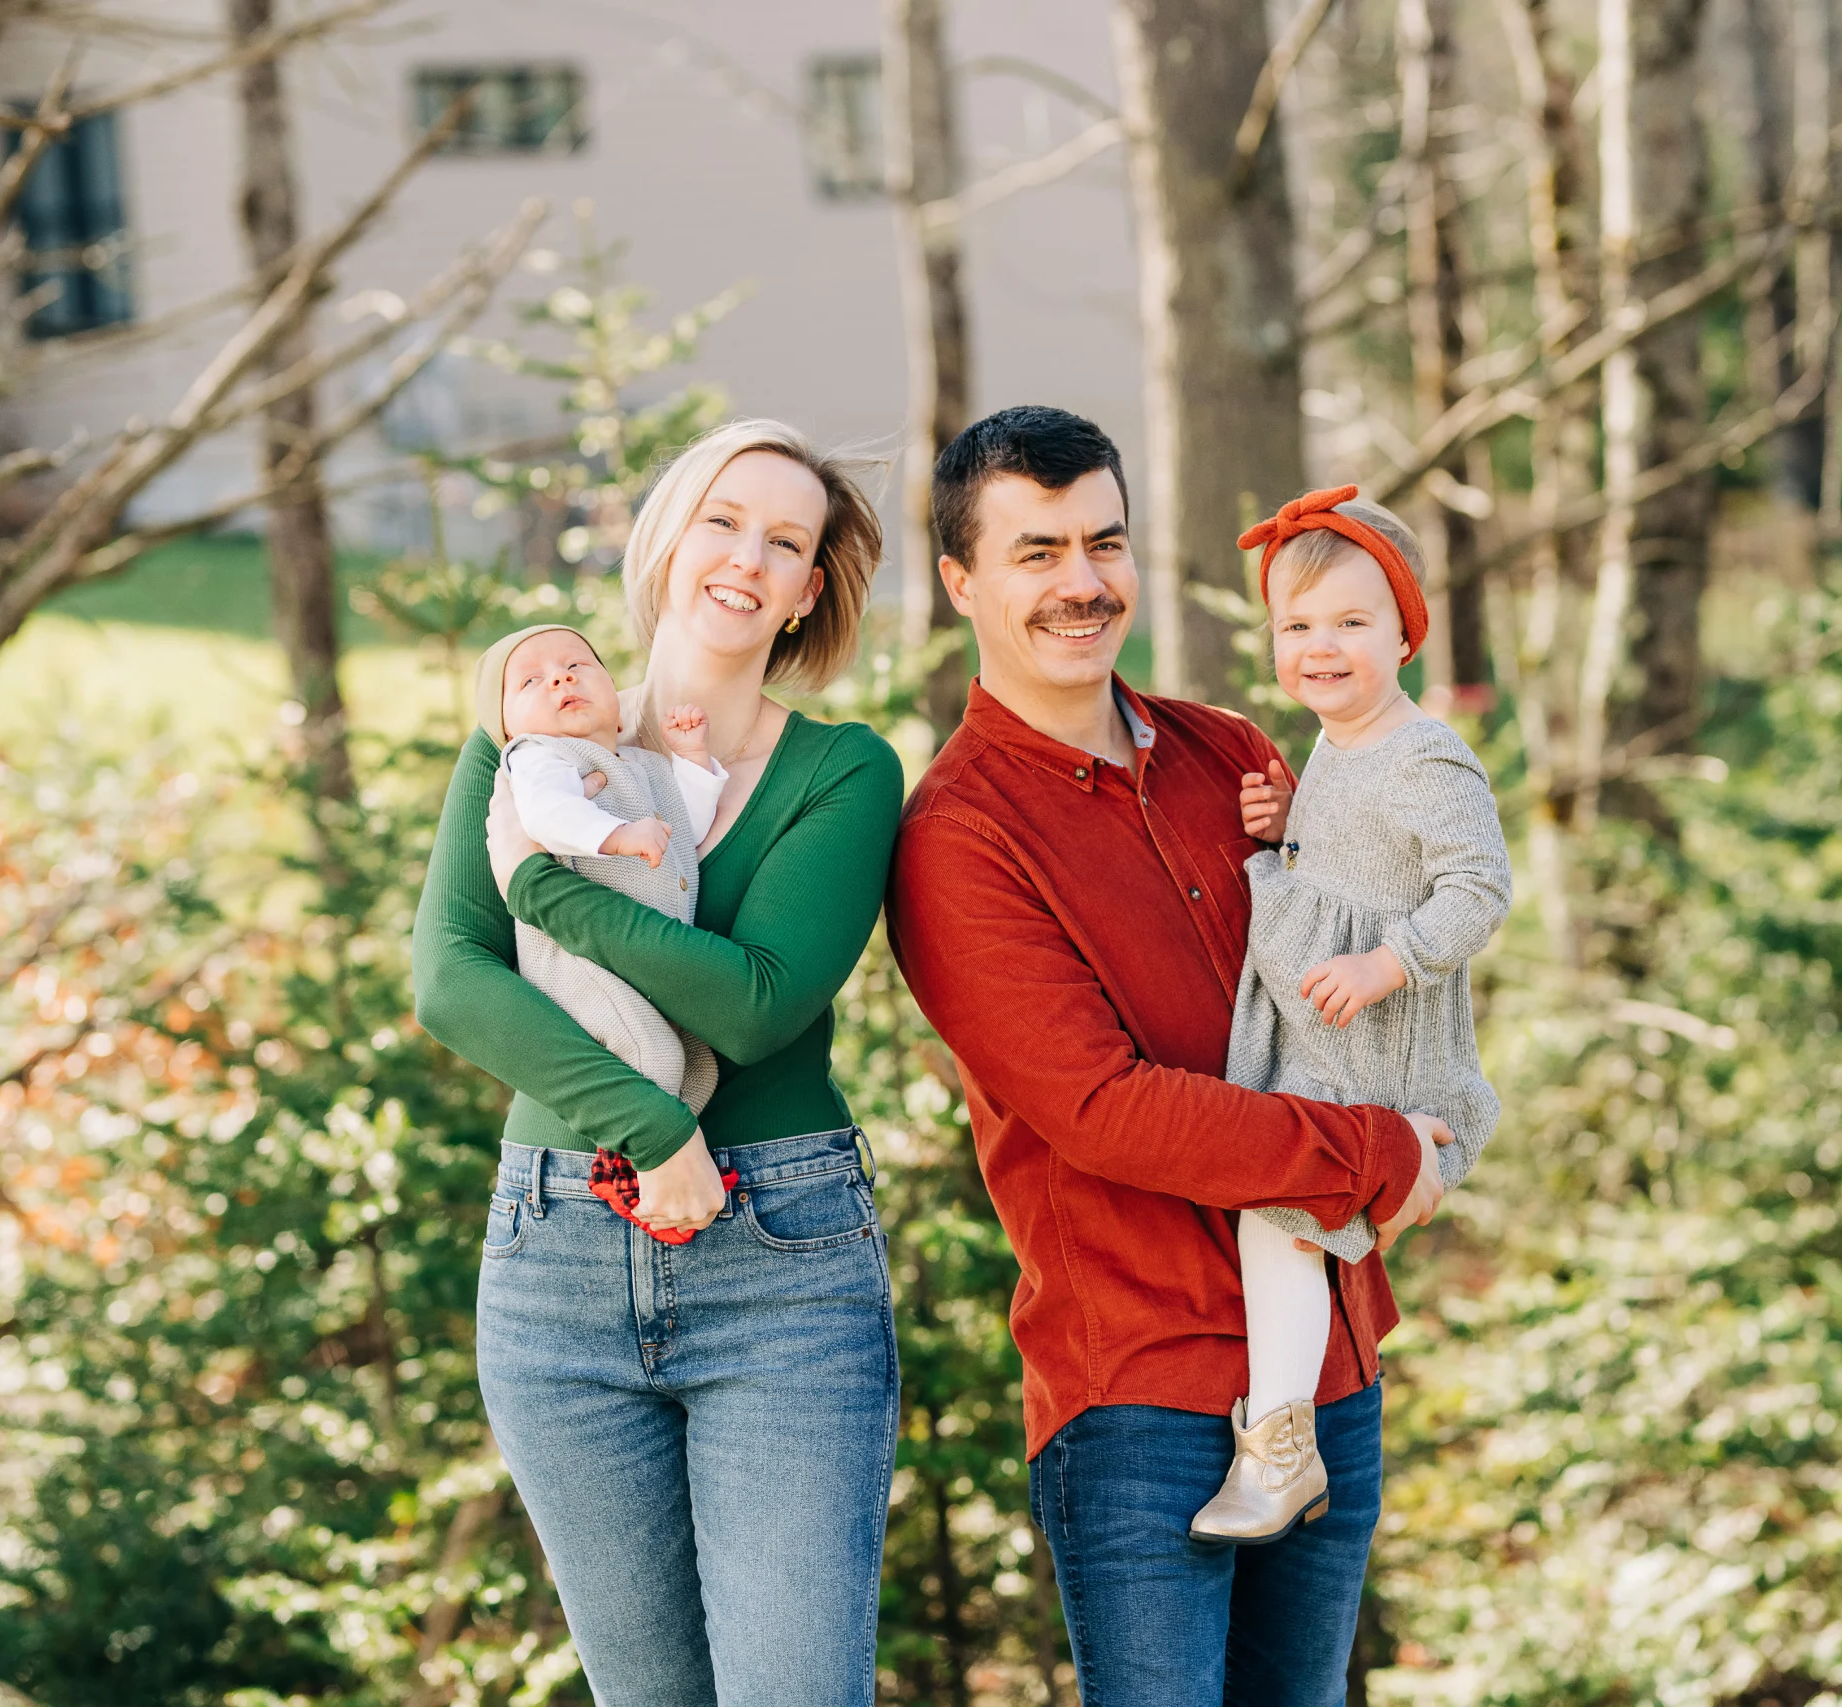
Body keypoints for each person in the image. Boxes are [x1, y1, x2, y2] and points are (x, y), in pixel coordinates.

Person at [886, 406, 1452, 1705]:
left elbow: (1364, 980)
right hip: (1140, 1390)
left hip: (1325, 1361)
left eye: (1104, 540)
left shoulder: (1235, 759)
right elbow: (1104, 1107)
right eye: (1036, 553)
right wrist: (1378, 1155)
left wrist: (1417, 1104)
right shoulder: (957, 837)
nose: (1082, 582)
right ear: (964, 582)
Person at [411, 419, 903, 1706]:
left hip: (783, 1273)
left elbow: (754, 1010)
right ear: (669, 538)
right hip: (556, 1261)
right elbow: (451, 976)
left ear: (809, 591)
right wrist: (651, 1126)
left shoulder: (841, 772)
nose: (747, 557)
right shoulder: (528, 727)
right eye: (724, 521)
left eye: (786, 542)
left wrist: (557, 898)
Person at [1192, 484, 1511, 1546]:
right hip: (1325, 1028)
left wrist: (1389, 962)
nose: (1319, 648)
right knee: (1273, 1206)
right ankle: (1283, 1426)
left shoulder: (1425, 754)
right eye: (1296, 626)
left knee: (1281, 1205)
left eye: (1349, 623)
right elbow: (1351, 854)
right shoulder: (1339, 740)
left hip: (1375, 1038)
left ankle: (1280, 1441)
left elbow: (1478, 886)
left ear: (1404, 633)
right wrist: (1294, 828)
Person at [481, 622, 729, 1128]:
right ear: (508, 729)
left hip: (642, 961)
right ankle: (634, 1169)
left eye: (577, 667)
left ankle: (668, 1153)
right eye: (531, 681)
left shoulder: (645, 764)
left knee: (698, 1068)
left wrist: (693, 760)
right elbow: (546, 814)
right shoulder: (537, 758)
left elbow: (685, 827)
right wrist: (616, 836)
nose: (560, 681)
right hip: (578, 961)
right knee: (654, 1057)